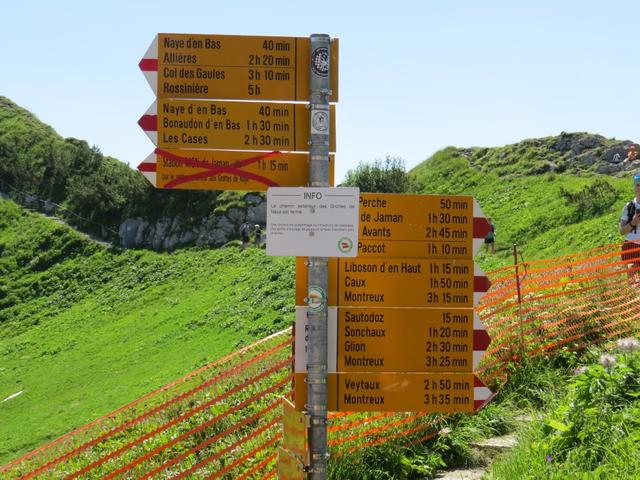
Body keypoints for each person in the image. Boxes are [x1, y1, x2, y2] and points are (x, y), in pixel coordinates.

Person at [619, 173, 640, 280]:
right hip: (631, 246)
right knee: (633, 281)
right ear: (634, 187)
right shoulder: (629, 206)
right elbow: (622, 231)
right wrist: (633, 222)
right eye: (638, 185)